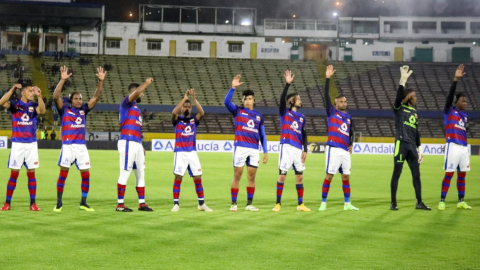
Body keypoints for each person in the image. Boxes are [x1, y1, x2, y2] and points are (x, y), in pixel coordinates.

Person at [52, 66, 106, 211]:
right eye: (76, 98)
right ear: (70, 100)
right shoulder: (64, 109)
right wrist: (62, 80)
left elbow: (96, 97)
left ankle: (83, 202)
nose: (79, 100)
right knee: (63, 173)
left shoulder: (83, 110)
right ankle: (59, 202)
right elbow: (55, 97)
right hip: (68, 146)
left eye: (80, 98)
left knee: (86, 174)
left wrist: (100, 81)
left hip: (81, 146)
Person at [224, 75, 268, 212]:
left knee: (252, 176)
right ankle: (233, 203)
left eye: (250, 99)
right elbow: (226, 102)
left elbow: (262, 135)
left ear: (253, 100)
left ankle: (249, 204)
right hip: (241, 147)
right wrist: (233, 88)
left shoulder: (259, 116)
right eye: (246, 99)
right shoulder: (237, 111)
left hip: (254, 149)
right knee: (237, 175)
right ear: (243, 100)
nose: (248, 101)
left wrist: (265, 151)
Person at [0, 84, 46, 211]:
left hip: (31, 144)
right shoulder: (15, 105)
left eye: (33, 91)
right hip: (18, 144)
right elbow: (2, 102)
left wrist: (40, 96)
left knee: (31, 173)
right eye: (30, 91)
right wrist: (12, 90)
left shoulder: (34, 106)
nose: (32, 93)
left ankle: (33, 203)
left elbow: (42, 111)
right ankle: (7, 203)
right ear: (24, 93)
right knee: (14, 174)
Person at [390, 66, 430, 211]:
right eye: (414, 96)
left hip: (412, 146)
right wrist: (403, 81)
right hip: (401, 144)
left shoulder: (414, 111)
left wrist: (420, 149)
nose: (416, 98)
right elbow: (397, 98)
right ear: (408, 98)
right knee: (397, 173)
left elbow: (416, 131)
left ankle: (419, 202)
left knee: (417, 175)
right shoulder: (399, 109)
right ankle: (393, 203)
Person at [320, 65, 358, 211]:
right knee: (329, 176)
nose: (344, 103)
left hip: (344, 151)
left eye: (345, 102)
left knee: (346, 177)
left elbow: (352, 131)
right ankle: (323, 202)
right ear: (336, 103)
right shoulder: (331, 112)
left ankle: (347, 204)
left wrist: (351, 144)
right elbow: (325, 97)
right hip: (333, 149)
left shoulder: (348, 117)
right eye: (341, 101)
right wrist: (328, 79)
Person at [272, 71, 309, 212]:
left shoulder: (301, 117)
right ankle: (278, 204)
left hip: (298, 149)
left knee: (299, 177)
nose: (301, 101)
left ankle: (300, 204)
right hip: (286, 147)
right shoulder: (284, 113)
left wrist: (305, 149)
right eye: (298, 98)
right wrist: (287, 85)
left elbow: (304, 134)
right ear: (292, 101)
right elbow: (281, 100)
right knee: (282, 175)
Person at [116, 77, 154, 212]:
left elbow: (137, 128)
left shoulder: (136, 109)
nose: (142, 94)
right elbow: (138, 91)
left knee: (140, 173)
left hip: (136, 143)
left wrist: (141, 145)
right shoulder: (125, 104)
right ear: (134, 93)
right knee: (125, 172)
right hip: (127, 141)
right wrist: (147, 83)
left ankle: (141, 203)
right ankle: (120, 204)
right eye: (140, 93)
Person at [170, 89, 212, 212]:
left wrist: (193, 99)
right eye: (185, 106)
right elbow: (173, 112)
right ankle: (176, 204)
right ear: (182, 107)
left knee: (198, 177)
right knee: (178, 177)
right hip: (180, 152)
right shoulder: (177, 120)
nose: (187, 108)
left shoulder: (194, 120)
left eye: (189, 106)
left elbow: (202, 112)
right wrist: (184, 98)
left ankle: (201, 204)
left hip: (192, 152)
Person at [438, 64, 471, 211]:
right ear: (457, 101)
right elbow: (449, 97)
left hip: (464, 147)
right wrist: (455, 80)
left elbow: (465, 131)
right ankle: (442, 200)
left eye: (466, 101)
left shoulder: (465, 116)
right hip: (453, 146)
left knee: (462, 175)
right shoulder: (449, 110)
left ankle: (461, 201)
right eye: (463, 101)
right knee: (449, 174)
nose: (465, 103)